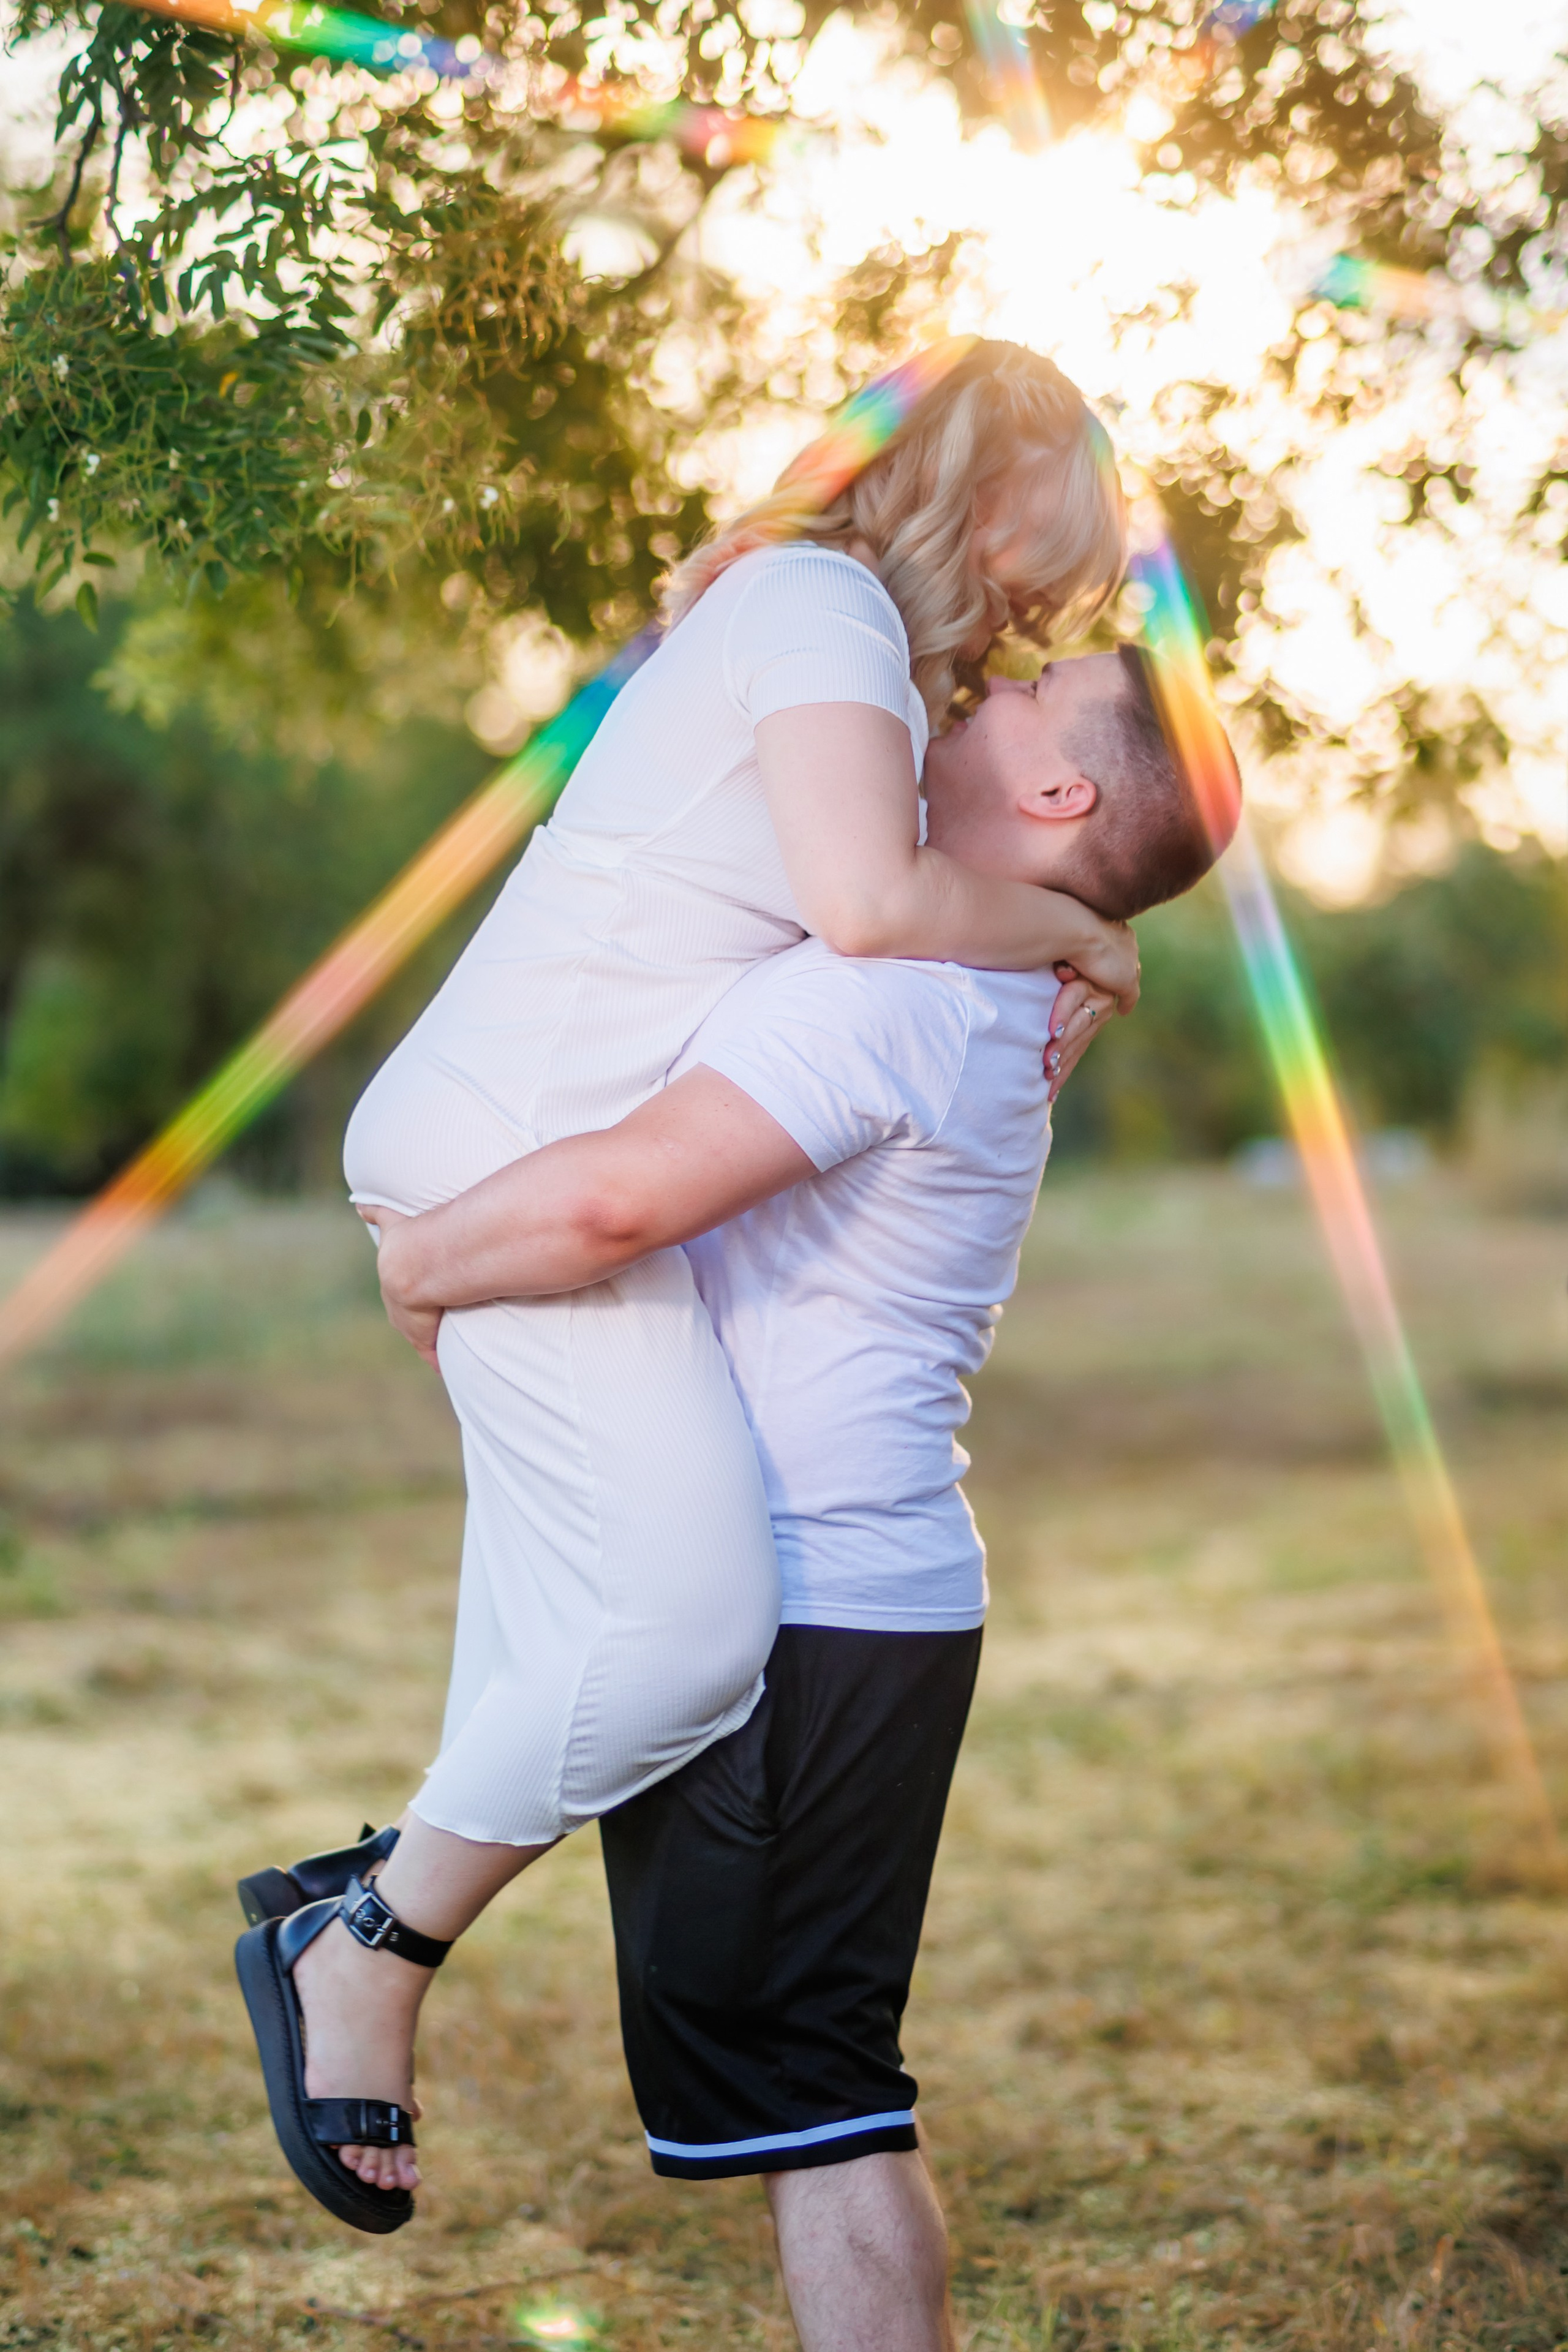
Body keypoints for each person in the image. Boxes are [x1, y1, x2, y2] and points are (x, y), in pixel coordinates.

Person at [235, 343, 1139, 2234]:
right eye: (1044, 568)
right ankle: (367, 1943)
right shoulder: (818, 608)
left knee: (564, 1610)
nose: (1036, 618)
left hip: (540, 1147)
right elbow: (873, 913)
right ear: (990, 488)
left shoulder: (840, 649)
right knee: (686, 1631)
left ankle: (367, 1906)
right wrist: (1078, 920)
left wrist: (1084, 927)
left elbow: (903, 904)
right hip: (528, 1145)